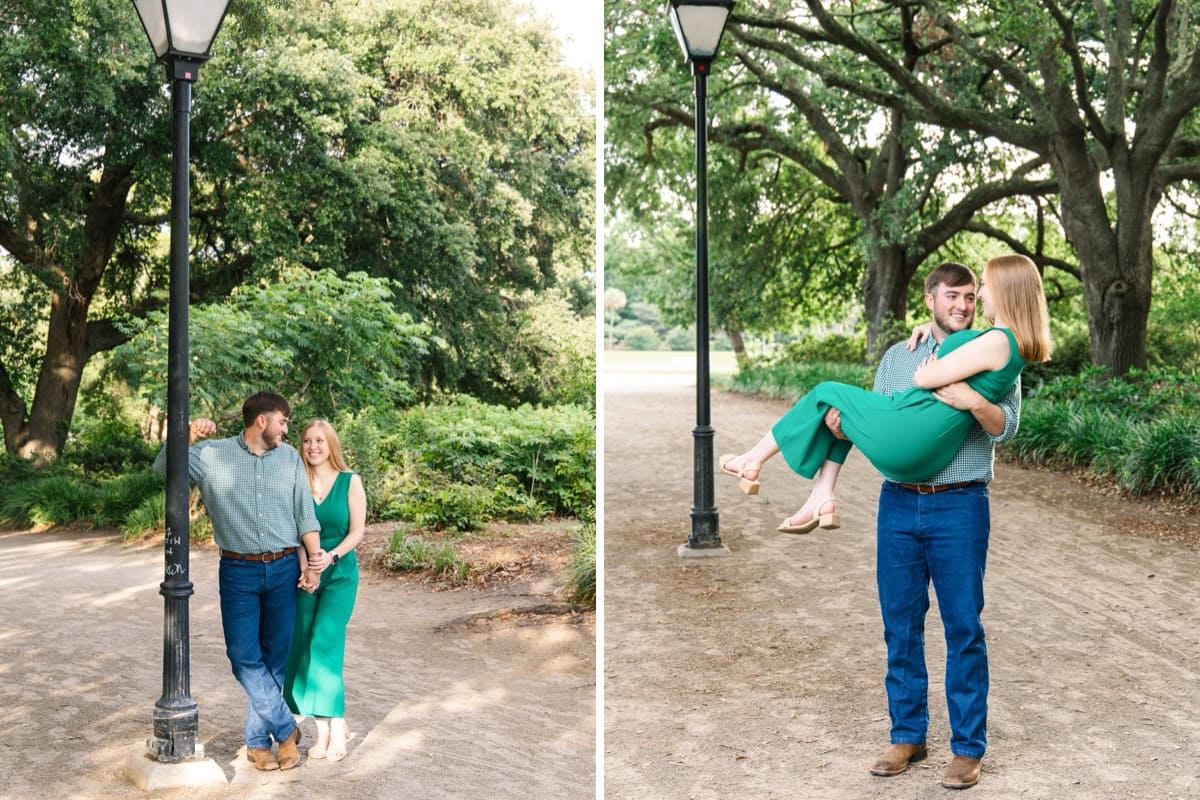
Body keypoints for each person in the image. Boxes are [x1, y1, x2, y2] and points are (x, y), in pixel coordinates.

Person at [717, 255, 1050, 543]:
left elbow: (934, 383)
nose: (972, 299)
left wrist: (968, 397)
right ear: (929, 301)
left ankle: (752, 461)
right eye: (952, 296)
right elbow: (871, 417)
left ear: (1006, 291)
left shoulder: (994, 342)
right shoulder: (986, 344)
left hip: (954, 492)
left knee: (825, 392)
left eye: (980, 289)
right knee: (840, 410)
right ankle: (820, 498)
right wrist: (841, 428)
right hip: (909, 476)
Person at [154, 391, 329, 772]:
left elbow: (305, 515)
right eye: (282, 421)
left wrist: (313, 563)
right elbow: (165, 466)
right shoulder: (212, 455)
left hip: (284, 568)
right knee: (243, 657)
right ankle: (286, 730)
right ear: (262, 421)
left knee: (274, 661)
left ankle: (257, 744)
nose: (287, 428)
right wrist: (185, 432)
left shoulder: (288, 459)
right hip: (238, 572)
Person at [283, 419, 365, 762]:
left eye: (319, 440)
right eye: (306, 441)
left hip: (340, 570)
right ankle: (323, 730)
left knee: (324, 640)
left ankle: (336, 729)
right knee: (300, 645)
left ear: (331, 444)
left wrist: (329, 557)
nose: (312, 446)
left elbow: (357, 532)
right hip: (305, 572)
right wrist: (306, 565)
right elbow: (293, 531)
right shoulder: (296, 481)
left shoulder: (350, 481)